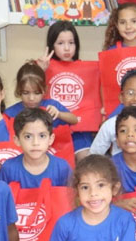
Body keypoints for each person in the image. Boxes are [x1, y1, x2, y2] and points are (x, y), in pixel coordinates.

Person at [35, 21, 94, 154]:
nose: (67, 48)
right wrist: (40, 71)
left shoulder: (88, 70)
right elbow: (32, 94)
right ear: (52, 45)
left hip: (80, 129)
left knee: (86, 160)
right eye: (60, 43)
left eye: (71, 43)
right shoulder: (43, 67)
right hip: (52, 128)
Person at [0, 108, 72, 188]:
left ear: (50, 139)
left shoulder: (62, 168)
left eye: (42, 136)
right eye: (28, 136)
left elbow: (72, 197)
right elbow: (0, 197)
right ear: (17, 140)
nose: (35, 143)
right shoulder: (8, 169)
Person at [4, 62, 78, 127]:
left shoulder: (52, 105)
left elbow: (74, 120)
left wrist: (59, 114)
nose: (31, 98)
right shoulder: (10, 113)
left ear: (44, 90)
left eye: (37, 93)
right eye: (25, 93)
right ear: (18, 89)